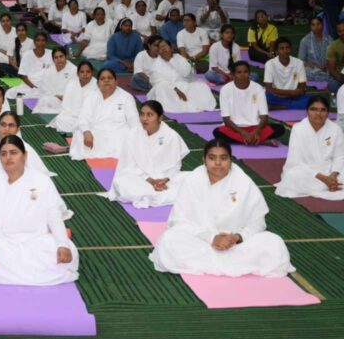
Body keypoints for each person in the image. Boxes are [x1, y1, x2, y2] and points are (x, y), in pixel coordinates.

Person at [150, 139, 294, 278]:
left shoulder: (243, 182)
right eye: (212, 158)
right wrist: (212, 238)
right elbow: (180, 221)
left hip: (236, 245)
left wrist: (237, 237)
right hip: (202, 241)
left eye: (223, 158)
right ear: (204, 160)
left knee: (274, 243)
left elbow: (258, 222)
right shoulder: (193, 180)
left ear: (231, 160)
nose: (218, 163)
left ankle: (211, 262)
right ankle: (231, 263)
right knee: (169, 239)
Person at [0, 135, 78, 286]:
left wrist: (62, 244)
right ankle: (34, 273)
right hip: (1, 241)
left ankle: (14, 272)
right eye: (3, 154)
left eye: (13, 153)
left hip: (36, 241)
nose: (8, 157)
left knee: (67, 252)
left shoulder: (42, 181)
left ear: (25, 155)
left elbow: (53, 214)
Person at [107, 101, 189, 208]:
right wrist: (150, 180)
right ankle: (161, 195)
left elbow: (175, 165)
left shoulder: (171, 135)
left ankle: (151, 196)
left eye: (149, 115)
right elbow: (128, 165)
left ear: (160, 118)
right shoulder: (132, 134)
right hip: (140, 178)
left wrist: (165, 179)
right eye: (142, 114)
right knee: (121, 182)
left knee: (192, 178)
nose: (144, 118)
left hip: (165, 179)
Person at [275, 97, 343, 200]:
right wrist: (323, 178)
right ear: (307, 111)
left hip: (330, 171)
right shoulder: (298, 128)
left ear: (328, 113)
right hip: (306, 173)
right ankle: (330, 185)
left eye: (323, 110)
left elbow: (340, 156)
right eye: (313, 109)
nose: (318, 113)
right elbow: (295, 161)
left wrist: (333, 176)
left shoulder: (335, 129)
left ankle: (331, 183)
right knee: (292, 175)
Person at [70, 68, 139, 160]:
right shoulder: (91, 96)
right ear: (98, 84)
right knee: (79, 133)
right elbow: (83, 117)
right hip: (95, 132)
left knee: (128, 135)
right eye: (102, 79)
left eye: (109, 78)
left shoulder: (126, 97)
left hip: (118, 132)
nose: (106, 80)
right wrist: (86, 132)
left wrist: (136, 136)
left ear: (116, 82)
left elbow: (134, 120)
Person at [214, 61, 286, 146]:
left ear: (249, 74)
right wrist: (243, 132)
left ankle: (248, 140)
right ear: (233, 75)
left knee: (280, 128)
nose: (242, 75)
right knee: (217, 132)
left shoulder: (258, 88)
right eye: (239, 72)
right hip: (235, 128)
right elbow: (226, 120)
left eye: (245, 72)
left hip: (255, 127)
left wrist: (256, 132)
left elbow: (264, 117)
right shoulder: (225, 90)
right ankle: (262, 141)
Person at [146, 39, 217, 113]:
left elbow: (186, 73)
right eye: (160, 48)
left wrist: (170, 60)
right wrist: (175, 89)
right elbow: (157, 81)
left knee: (201, 86)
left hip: (185, 85)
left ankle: (199, 106)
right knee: (161, 88)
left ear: (171, 48)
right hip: (169, 89)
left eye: (164, 46)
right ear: (158, 52)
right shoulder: (156, 64)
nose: (163, 49)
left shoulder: (179, 58)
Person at [46, 61, 98, 133]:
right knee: (60, 119)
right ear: (78, 74)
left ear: (92, 73)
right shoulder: (72, 84)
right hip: (71, 117)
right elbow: (66, 105)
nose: (85, 74)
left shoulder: (97, 85)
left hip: (87, 119)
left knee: (88, 125)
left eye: (88, 72)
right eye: (82, 72)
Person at [263, 37, 310, 109]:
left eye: (287, 48)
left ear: (290, 49)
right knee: (265, 96)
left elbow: (302, 87)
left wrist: (293, 93)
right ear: (276, 51)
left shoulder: (299, 63)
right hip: (276, 96)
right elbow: (268, 88)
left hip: (294, 96)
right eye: (281, 48)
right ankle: (291, 105)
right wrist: (291, 92)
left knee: (311, 100)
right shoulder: (270, 64)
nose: (285, 50)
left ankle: (279, 107)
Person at [28, 47, 76, 113]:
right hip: (52, 98)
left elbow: (75, 89)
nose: (59, 59)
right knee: (44, 101)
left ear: (66, 57)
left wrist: (63, 97)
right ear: (53, 60)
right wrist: (55, 96)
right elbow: (44, 88)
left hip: (67, 101)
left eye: (61, 56)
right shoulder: (49, 70)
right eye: (56, 57)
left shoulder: (74, 70)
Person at [298, 17, 332, 83]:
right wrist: (315, 66)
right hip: (312, 69)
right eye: (313, 25)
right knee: (302, 71)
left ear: (322, 25)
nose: (316, 27)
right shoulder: (305, 40)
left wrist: (327, 65)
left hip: (327, 68)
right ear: (310, 27)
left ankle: (318, 81)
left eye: (318, 24)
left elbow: (334, 56)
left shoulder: (329, 39)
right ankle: (323, 80)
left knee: (335, 69)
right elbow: (301, 61)